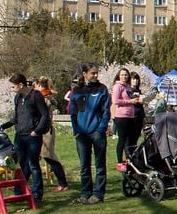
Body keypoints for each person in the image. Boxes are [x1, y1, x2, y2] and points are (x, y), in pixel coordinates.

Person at [1, 73, 51, 204]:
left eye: (13, 87)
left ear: (20, 85)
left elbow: (45, 115)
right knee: (21, 164)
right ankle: (19, 191)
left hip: (32, 136)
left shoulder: (36, 96)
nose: (11, 89)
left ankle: (37, 194)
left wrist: (37, 131)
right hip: (20, 136)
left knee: (33, 164)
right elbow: (16, 118)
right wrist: (3, 126)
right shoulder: (18, 98)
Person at [69, 62, 111, 204]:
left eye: (96, 73)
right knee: (84, 165)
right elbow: (73, 113)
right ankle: (85, 193)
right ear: (84, 74)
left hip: (97, 132)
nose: (95, 75)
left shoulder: (102, 89)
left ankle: (98, 194)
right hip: (81, 133)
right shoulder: (77, 91)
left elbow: (106, 111)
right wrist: (76, 130)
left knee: (99, 164)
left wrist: (101, 129)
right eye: (92, 73)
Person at [34, 77, 69, 192]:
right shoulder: (47, 96)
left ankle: (63, 183)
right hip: (46, 130)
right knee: (43, 156)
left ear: (39, 85)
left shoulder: (45, 98)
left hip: (45, 131)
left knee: (49, 156)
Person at [111, 67, 138, 167]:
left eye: (126, 75)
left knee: (129, 139)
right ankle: (119, 161)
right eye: (122, 75)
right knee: (122, 139)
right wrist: (130, 102)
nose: (124, 77)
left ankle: (128, 159)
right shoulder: (118, 87)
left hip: (130, 115)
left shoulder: (127, 86)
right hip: (121, 116)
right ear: (119, 76)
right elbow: (116, 100)